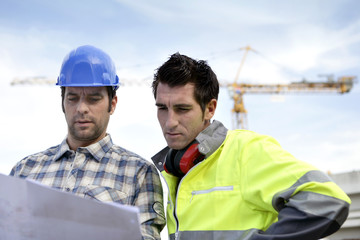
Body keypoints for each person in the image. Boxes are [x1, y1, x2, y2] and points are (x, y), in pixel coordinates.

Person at [151, 52, 351, 240]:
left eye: (182, 109)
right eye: (162, 108)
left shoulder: (247, 150)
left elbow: (327, 200)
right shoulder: (176, 171)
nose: (170, 122)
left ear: (210, 109)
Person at [10, 45, 165, 240]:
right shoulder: (24, 170)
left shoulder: (139, 173)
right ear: (62, 103)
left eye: (93, 99)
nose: (82, 108)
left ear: (112, 103)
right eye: (73, 98)